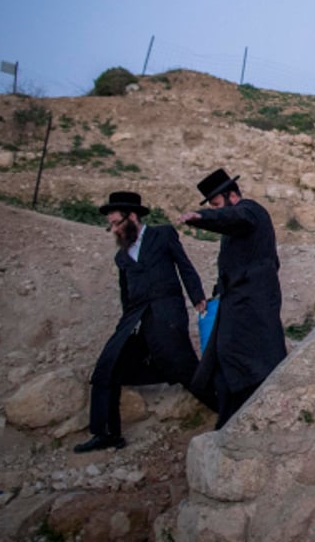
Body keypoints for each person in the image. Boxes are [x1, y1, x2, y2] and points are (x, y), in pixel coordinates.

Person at [75, 191, 213, 453]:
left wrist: (198, 297)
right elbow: (125, 293)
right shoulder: (122, 257)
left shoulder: (162, 235)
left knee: (184, 369)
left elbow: (184, 266)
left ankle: (226, 408)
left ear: (133, 216)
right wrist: (125, 328)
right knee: (106, 368)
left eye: (117, 223)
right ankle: (106, 433)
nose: (114, 229)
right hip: (134, 319)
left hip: (167, 314)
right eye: (112, 225)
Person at [179, 169, 287, 429]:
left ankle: (245, 424)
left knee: (248, 364)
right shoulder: (236, 225)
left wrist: (203, 217)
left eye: (217, 205)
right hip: (238, 305)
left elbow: (234, 218)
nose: (217, 211)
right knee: (227, 364)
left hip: (252, 307)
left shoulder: (250, 211)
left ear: (231, 196)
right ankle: (230, 425)